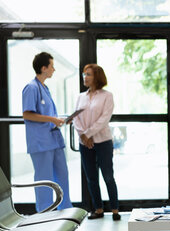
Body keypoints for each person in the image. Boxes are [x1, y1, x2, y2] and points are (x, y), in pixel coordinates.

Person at [22, 52, 72, 212]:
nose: (54, 70)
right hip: (41, 143)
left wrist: (57, 120)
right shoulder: (31, 88)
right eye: (52, 66)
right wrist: (52, 119)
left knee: (62, 176)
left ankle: (65, 211)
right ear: (44, 68)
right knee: (45, 180)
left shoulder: (45, 88)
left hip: (53, 140)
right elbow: (27, 114)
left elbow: (48, 114)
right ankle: (45, 214)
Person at [72, 64, 120, 221]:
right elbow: (76, 119)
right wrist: (83, 136)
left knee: (108, 176)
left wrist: (88, 134)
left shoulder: (107, 96)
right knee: (91, 178)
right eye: (84, 74)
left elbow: (104, 119)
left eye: (88, 74)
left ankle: (115, 210)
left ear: (97, 77)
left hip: (103, 141)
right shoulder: (80, 97)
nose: (85, 77)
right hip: (84, 143)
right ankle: (98, 209)